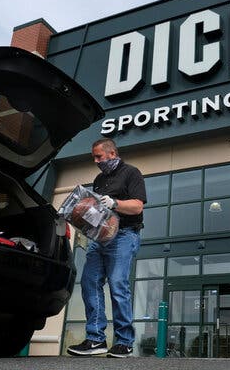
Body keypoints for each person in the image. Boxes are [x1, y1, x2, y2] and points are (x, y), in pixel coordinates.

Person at [67, 138, 146, 358]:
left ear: (112, 154)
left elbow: (137, 206)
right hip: (100, 238)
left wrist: (115, 203)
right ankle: (95, 339)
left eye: (98, 156)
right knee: (89, 282)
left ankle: (124, 341)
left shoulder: (132, 173)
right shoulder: (99, 179)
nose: (96, 161)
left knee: (117, 284)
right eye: (94, 157)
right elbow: (95, 210)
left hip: (124, 235)